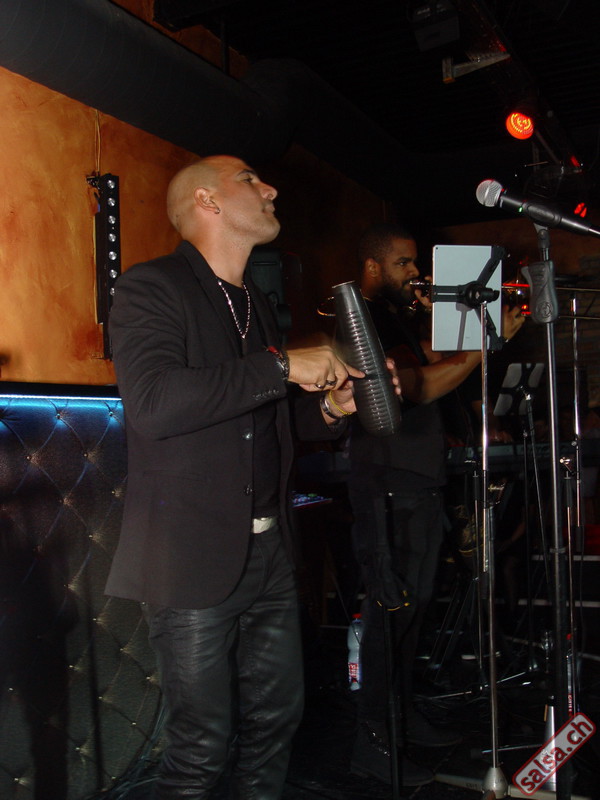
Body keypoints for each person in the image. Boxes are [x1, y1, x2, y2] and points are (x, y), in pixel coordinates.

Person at [104, 155, 371, 800]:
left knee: (276, 725)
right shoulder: (151, 286)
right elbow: (155, 404)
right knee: (200, 752)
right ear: (207, 200)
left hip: (270, 549)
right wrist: (281, 367)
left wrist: (330, 409)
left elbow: (258, 421)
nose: (270, 187)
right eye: (250, 178)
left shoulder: (254, 302)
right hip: (190, 553)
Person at [347, 222, 524, 786]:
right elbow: (418, 385)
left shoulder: (395, 316)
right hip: (388, 481)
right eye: (403, 263)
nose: (415, 273)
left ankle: (400, 718)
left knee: (414, 610)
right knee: (390, 614)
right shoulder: (363, 317)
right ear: (373, 267)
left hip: (414, 479)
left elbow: (433, 355)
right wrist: (483, 349)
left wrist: (468, 328)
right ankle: (371, 739)